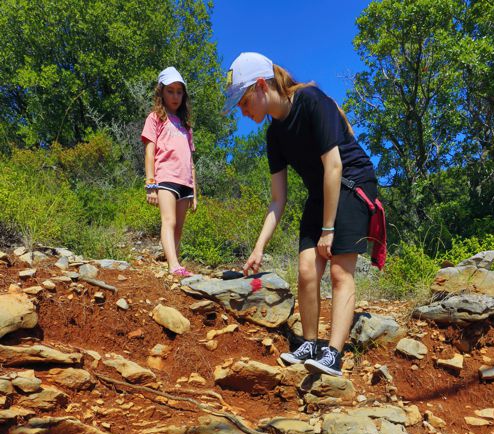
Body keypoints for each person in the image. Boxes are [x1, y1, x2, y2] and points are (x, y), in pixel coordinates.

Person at [224, 52, 379, 377]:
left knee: (339, 271)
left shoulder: (310, 100)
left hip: (351, 183)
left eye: (242, 100)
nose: (242, 109)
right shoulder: (274, 135)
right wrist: (259, 247)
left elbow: (334, 165)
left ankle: (333, 353)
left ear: (262, 86)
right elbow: (278, 199)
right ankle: (310, 344)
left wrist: (327, 230)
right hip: (321, 191)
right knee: (307, 269)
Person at [141, 67, 197, 277]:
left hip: (185, 182)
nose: (175, 96)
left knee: (179, 228)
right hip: (165, 177)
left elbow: (191, 160)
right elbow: (149, 151)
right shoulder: (155, 118)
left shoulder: (186, 125)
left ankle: (174, 262)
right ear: (161, 93)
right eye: (170, 91)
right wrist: (150, 184)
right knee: (169, 221)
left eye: (179, 92)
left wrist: (195, 192)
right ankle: (173, 266)